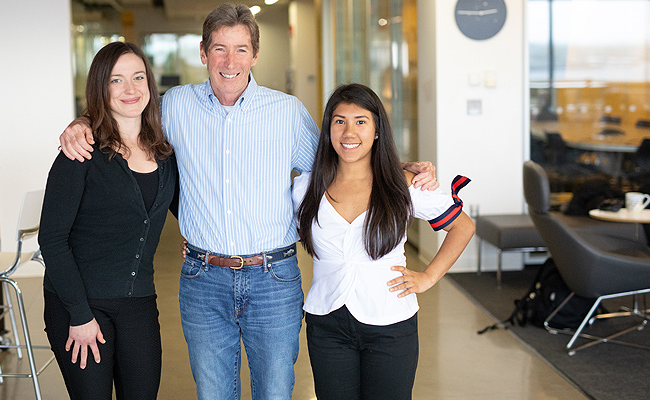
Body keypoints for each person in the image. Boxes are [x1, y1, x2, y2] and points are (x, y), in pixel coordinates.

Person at [58, 4, 437, 398]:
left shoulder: (286, 113)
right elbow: (123, 110)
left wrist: (400, 168)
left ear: (255, 55)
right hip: (203, 280)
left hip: (272, 279)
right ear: (203, 53)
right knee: (214, 393)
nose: (229, 61)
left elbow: (341, 160)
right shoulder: (174, 107)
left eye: (241, 49)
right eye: (219, 48)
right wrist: (83, 122)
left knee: (274, 392)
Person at [293, 83, 475, 400]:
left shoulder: (403, 184)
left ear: (377, 130)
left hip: (390, 323)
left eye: (361, 121)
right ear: (328, 130)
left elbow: (463, 226)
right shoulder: (307, 186)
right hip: (327, 324)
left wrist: (428, 277)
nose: (349, 132)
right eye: (339, 121)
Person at [39, 42, 178, 400]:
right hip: (81, 304)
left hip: (138, 303)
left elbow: (190, 209)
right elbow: (52, 240)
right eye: (117, 81)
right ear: (101, 88)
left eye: (138, 77)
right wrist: (80, 315)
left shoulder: (164, 154)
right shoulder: (80, 154)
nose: (130, 89)